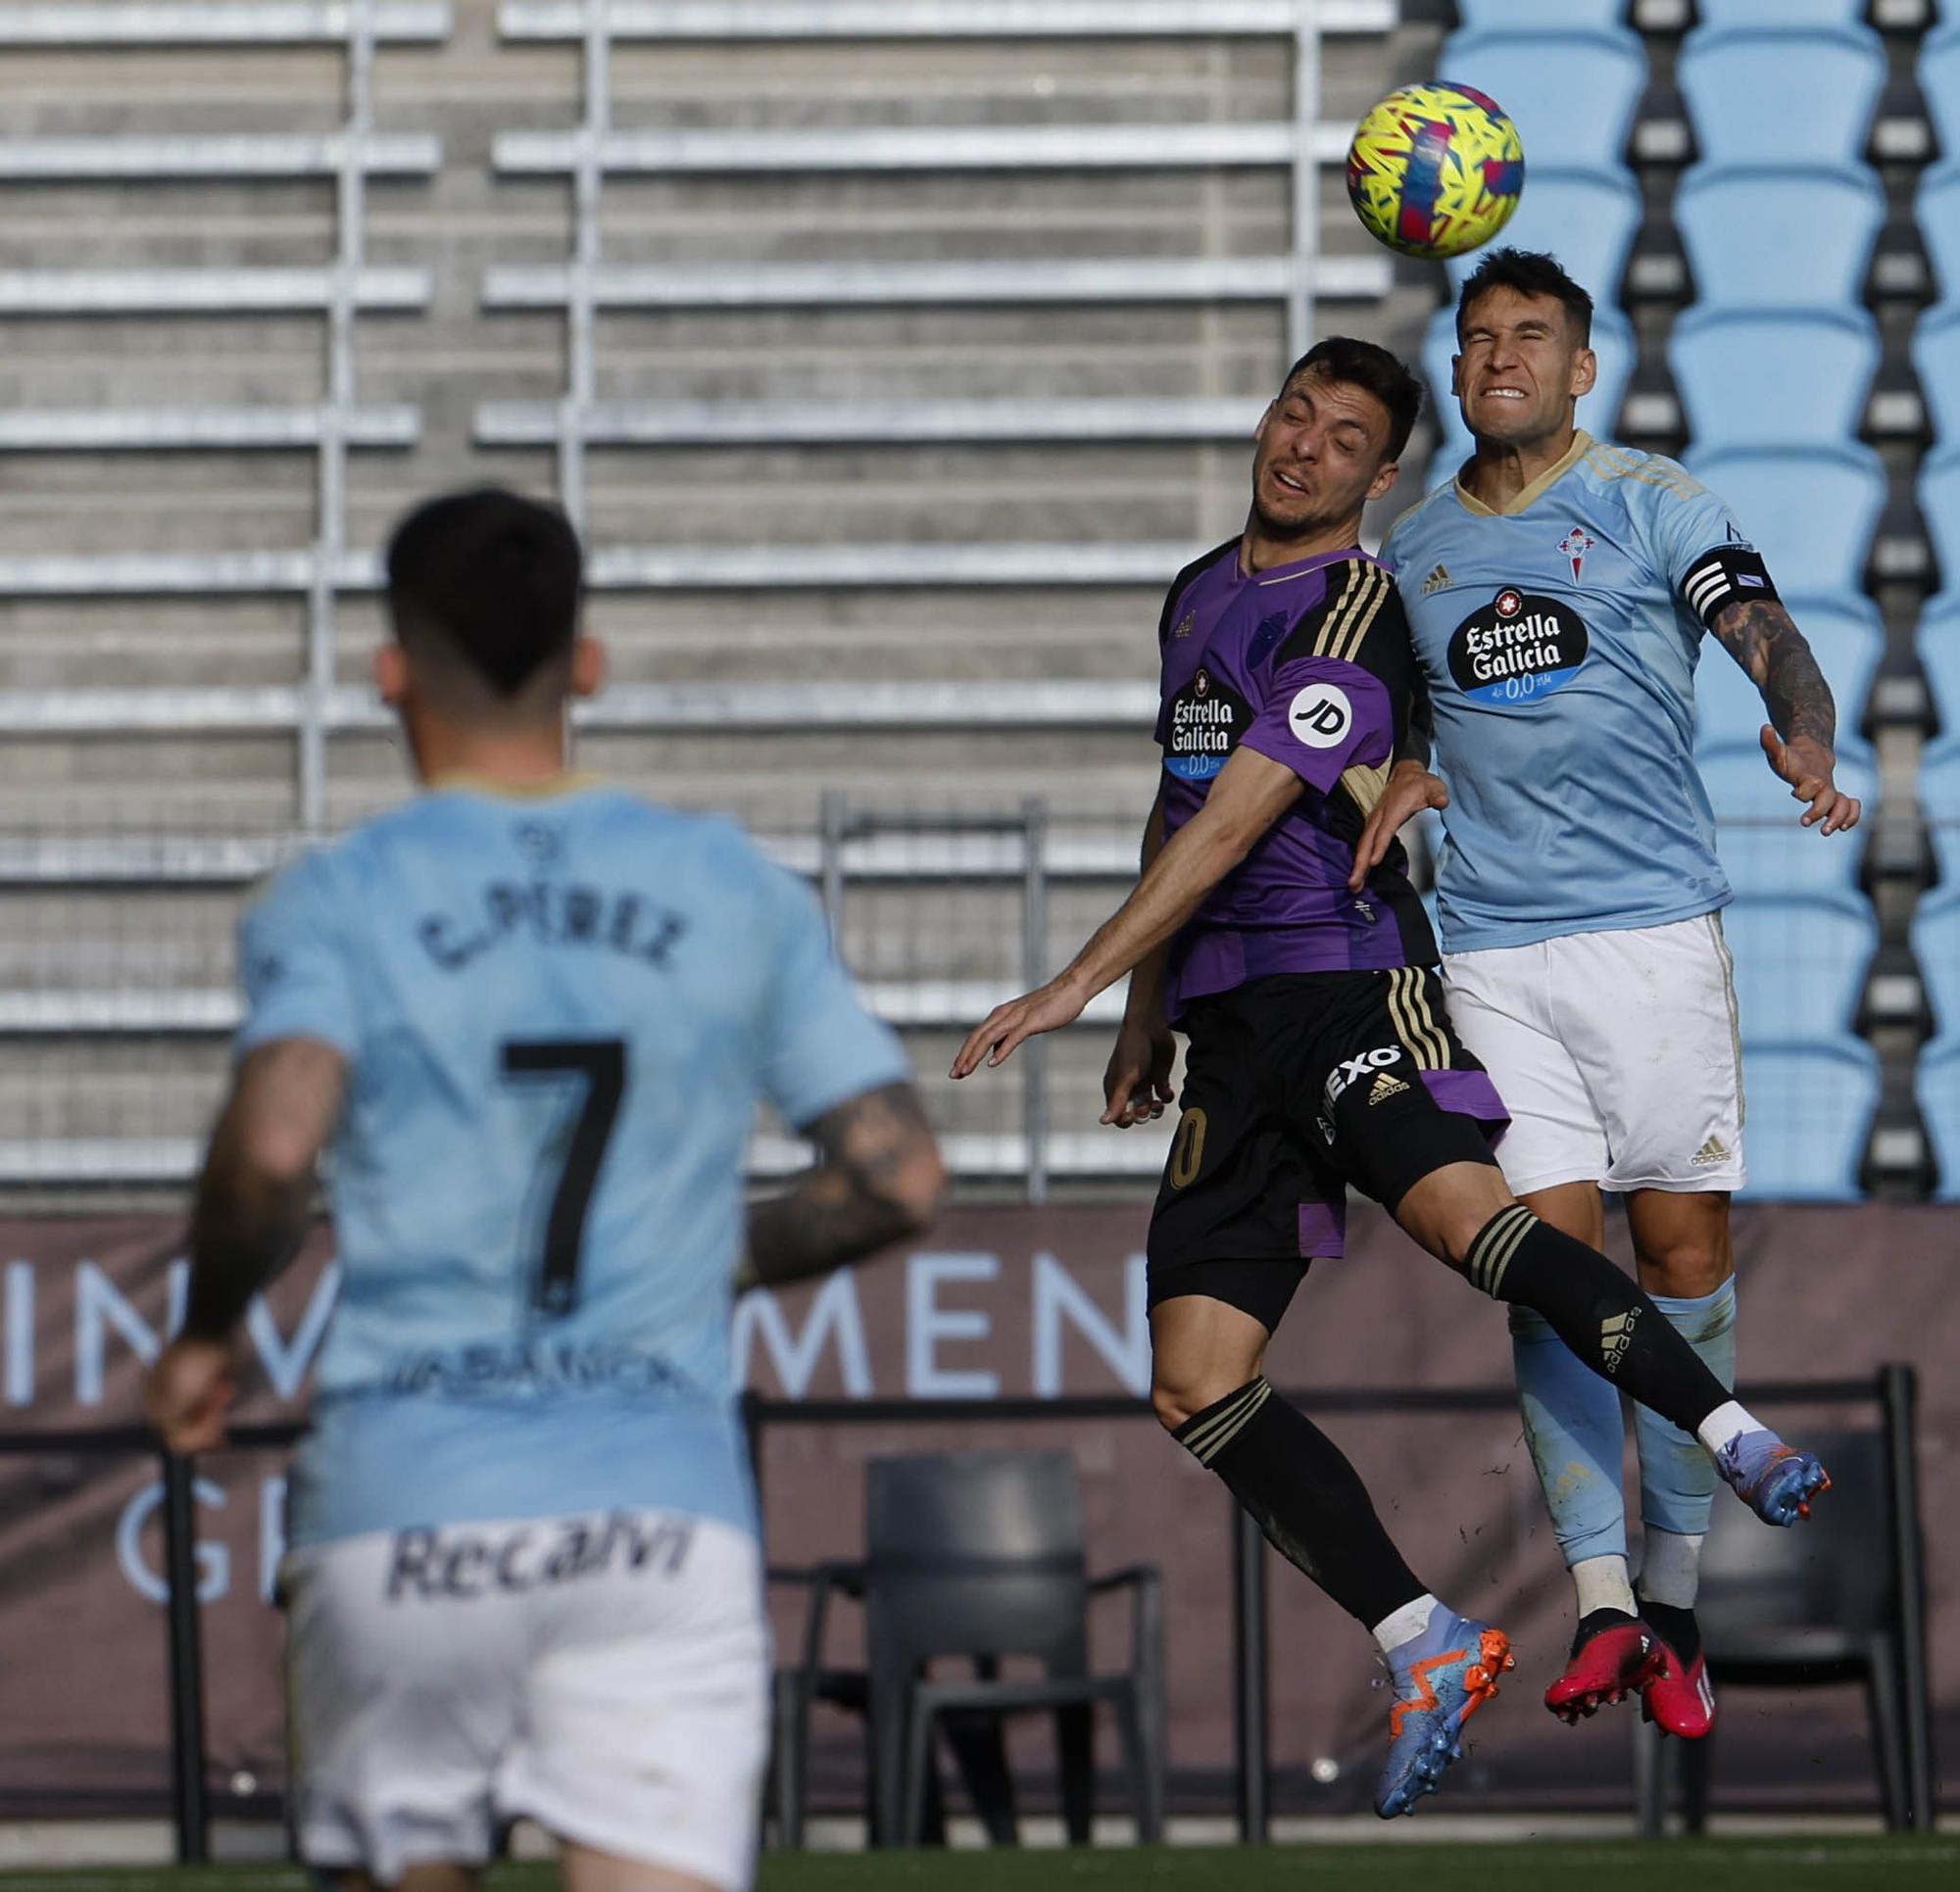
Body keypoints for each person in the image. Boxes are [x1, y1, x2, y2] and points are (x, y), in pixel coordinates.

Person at [951, 336, 1831, 1819]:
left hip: (1353, 985)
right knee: (1194, 1384)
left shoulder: (1356, 606)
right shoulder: (1194, 593)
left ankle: (1734, 1434)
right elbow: (1176, 807)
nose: (1304, 446)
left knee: (1484, 1236)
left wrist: (1074, 980)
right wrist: (1145, 1011)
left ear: (1378, 478)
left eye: (1343, 437)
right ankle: (1427, 1637)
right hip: (1228, 1031)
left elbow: (1239, 822)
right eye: (1296, 413)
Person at [143, 488, 944, 1892]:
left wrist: (206, 1335)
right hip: (653, 1510)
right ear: (589, 664)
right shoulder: (724, 885)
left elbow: (271, 1154)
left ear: (390, 673)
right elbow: (896, 1179)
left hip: (403, 1502)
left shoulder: (340, 898)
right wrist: (715, 1257)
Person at [1358, 248, 1851, 1740]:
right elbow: (1390, 723)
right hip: (1495, 950)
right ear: (1455, 372)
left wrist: (1806, 734)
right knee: (1544, 1272)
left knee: (1682, 1255)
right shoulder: (1420, 548)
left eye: (1533, 337)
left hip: (1651, 936)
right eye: (1479, 337)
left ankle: (1679, 1603)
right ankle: (1602, 1609)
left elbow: (1768, 636)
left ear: (1583, 369)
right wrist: (1400, 766)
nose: (1501, 356)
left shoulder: (1653, 502)